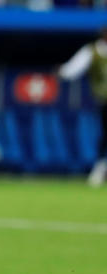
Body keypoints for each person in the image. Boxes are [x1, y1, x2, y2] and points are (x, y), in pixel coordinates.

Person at [58, 27, 107, 186]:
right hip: (104, 99)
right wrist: (63, 72)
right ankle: (100, 167)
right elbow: (75, 67)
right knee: (105, 134)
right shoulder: (92, 51)